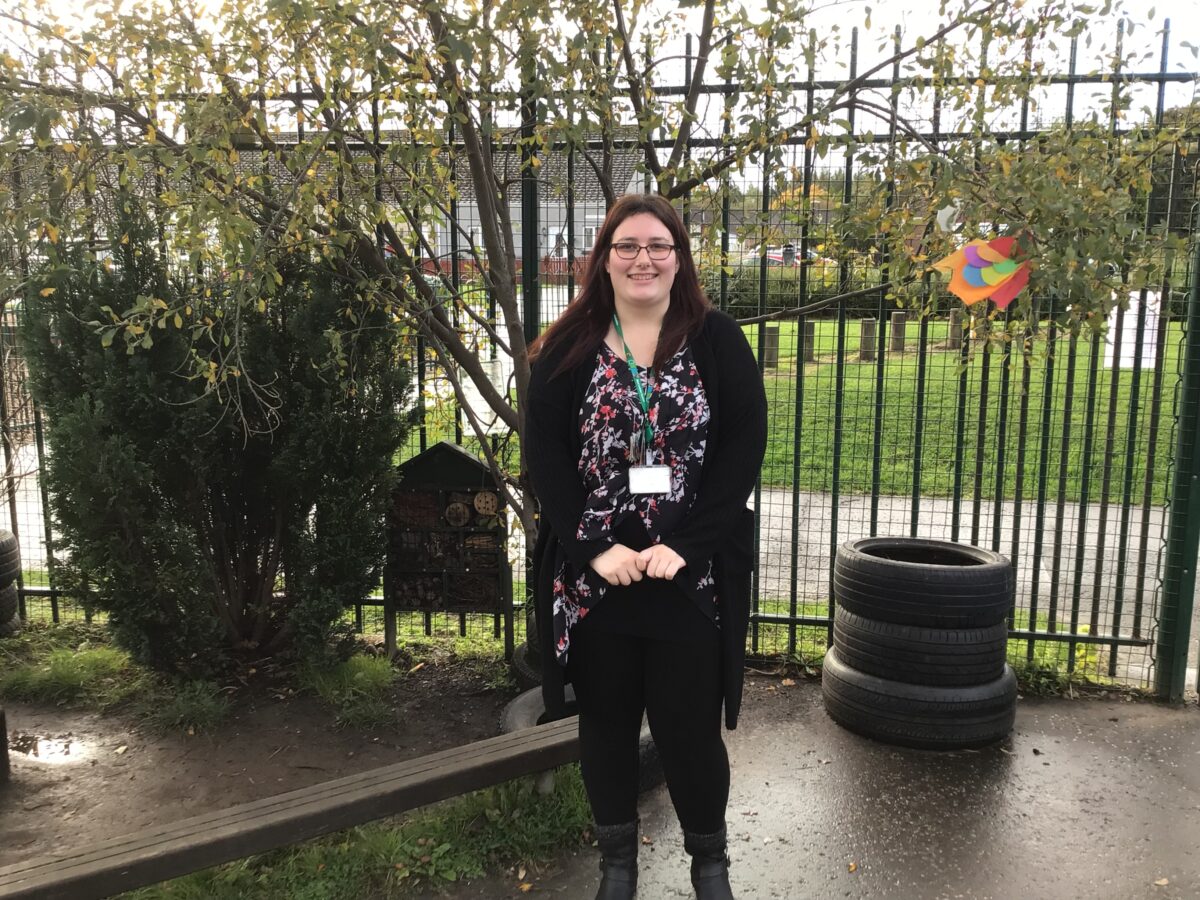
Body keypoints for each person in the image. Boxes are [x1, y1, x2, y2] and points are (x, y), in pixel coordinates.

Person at [525, 194, 768, 900]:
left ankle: (710, 867)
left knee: (689, 731)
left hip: (688, 581)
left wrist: (687, 545)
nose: (644, 259)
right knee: (605, 728)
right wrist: (593, 548)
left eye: (659, 246)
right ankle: (617, 868)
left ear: (679, 258)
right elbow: (544, 456)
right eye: (627, 246)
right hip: (600, 584)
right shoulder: (569, 346)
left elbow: (743, 448)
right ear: (604, 260)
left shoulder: (717, 340)